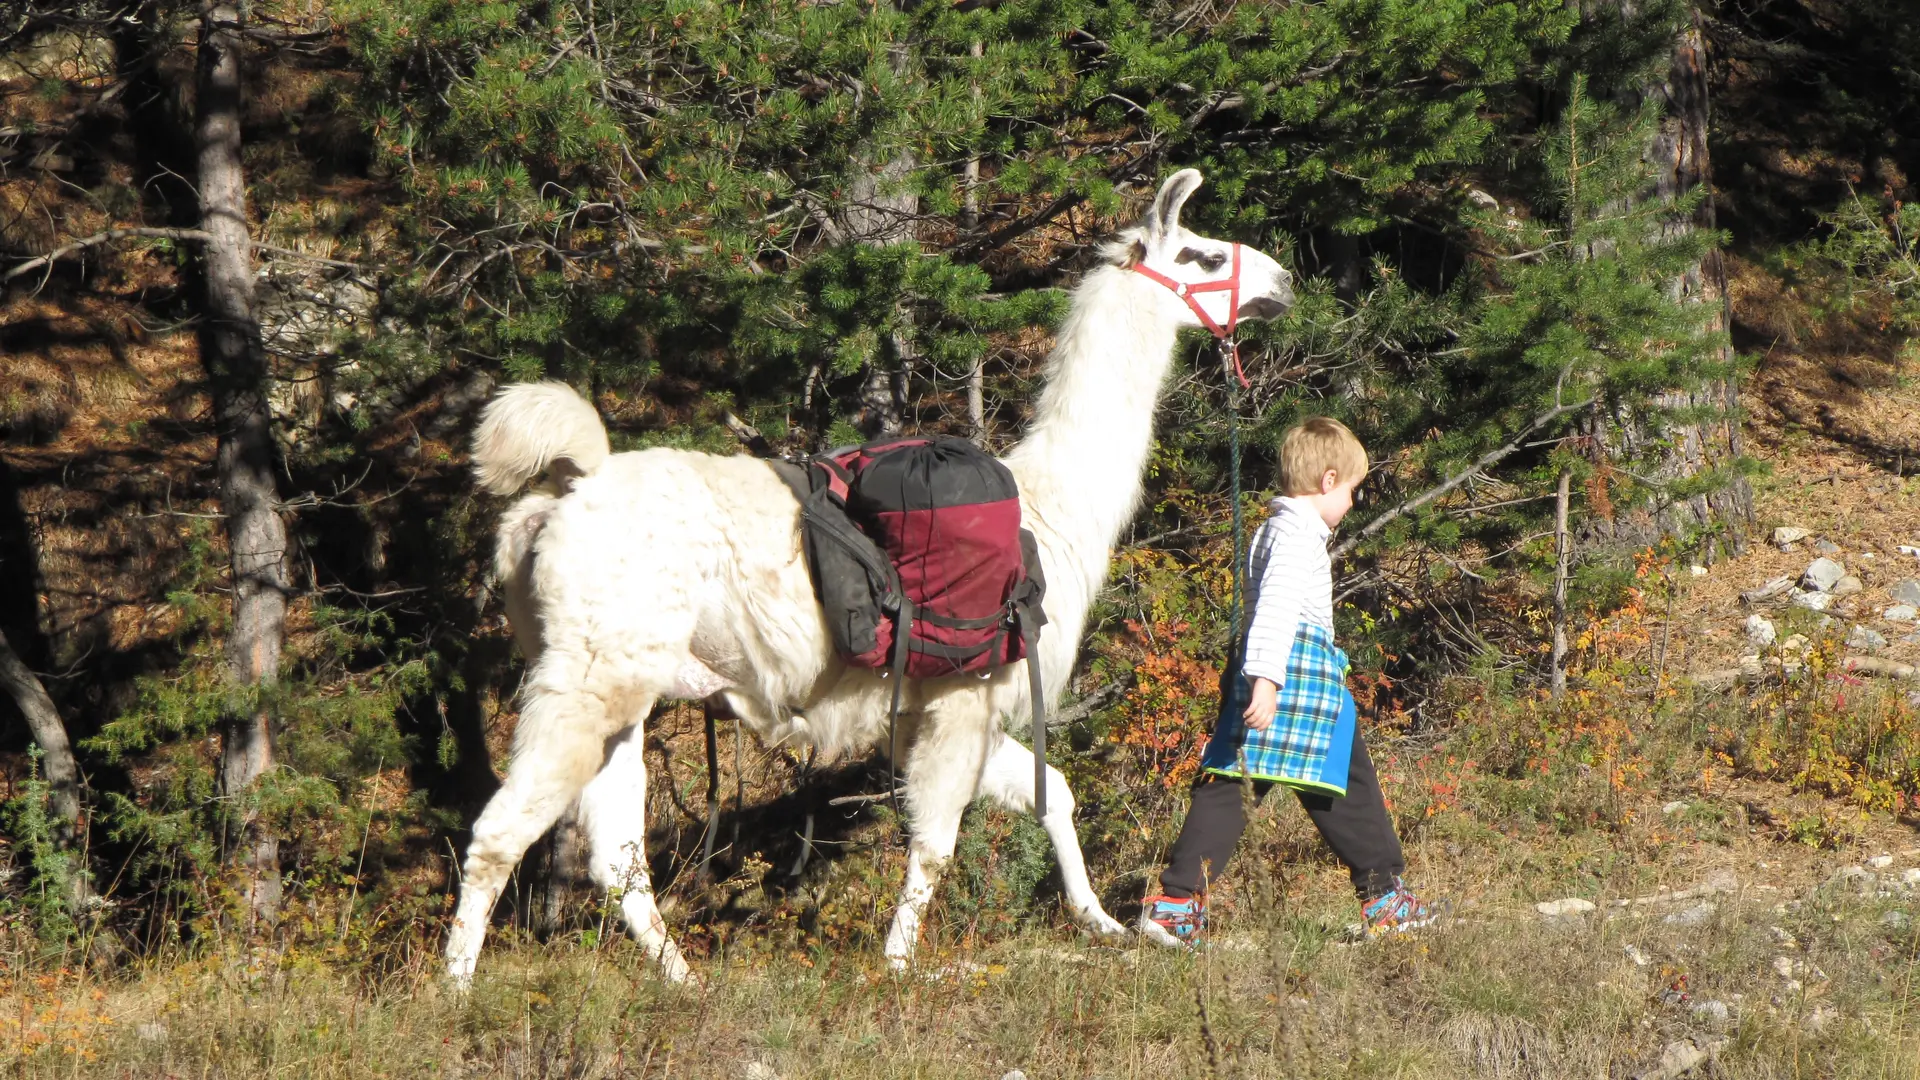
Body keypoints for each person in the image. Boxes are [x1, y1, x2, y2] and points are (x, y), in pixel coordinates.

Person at [1138, 417, 1438, 946]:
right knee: (1343, 784)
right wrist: (1268, 682)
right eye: (1351, 490)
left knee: (1238, 785)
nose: (1352, 502)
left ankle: (1175, 905)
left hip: (1275, 669)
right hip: (1292, 673)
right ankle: (1387, 900)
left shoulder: (1276, 528)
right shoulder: (1297, 534)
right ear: (1327, 482)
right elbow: (1275, 608)